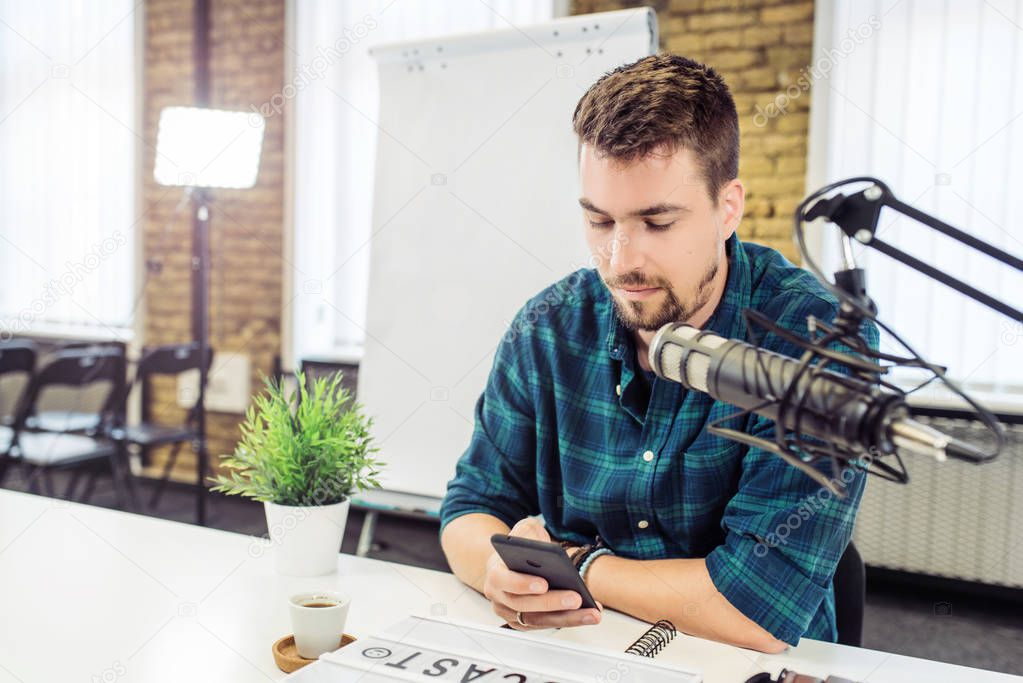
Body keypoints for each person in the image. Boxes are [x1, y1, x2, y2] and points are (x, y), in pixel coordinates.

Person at [439, 54, 879, 653]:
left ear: (728, 209)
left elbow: (754, 608)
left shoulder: (813, 338)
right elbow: (471, 507)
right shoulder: (547, 327)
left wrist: (579, 567)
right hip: (581, 654)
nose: (620, 261)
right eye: (599, 221)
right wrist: (495, 570)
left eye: (657, 223)